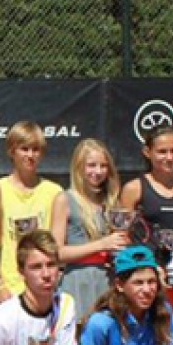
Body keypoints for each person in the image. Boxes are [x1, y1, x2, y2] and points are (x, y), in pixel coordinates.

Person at [120, 126, 173, 345]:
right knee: (147, 342)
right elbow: (123, 237)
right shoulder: (134, 189)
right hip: (148, 280)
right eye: (162, 151)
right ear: (148, 152)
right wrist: (152, 269)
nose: (169, 157)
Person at [52, 138, 127, 322]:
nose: (98, 172)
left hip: (107, 280)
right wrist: (101, 244)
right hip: (78, 280)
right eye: (91, 165)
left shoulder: (112, 202)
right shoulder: (64, 199)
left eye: (103, 166)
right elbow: (56, 252)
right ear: (79, 167)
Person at [0, 121, 62, 301]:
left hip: (43, 286)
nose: (30, 155)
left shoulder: (54, 192)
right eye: (24, 149)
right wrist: (0, 285)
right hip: (8, 288)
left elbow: (56, 246)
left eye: (36, 149)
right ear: (11, 151)